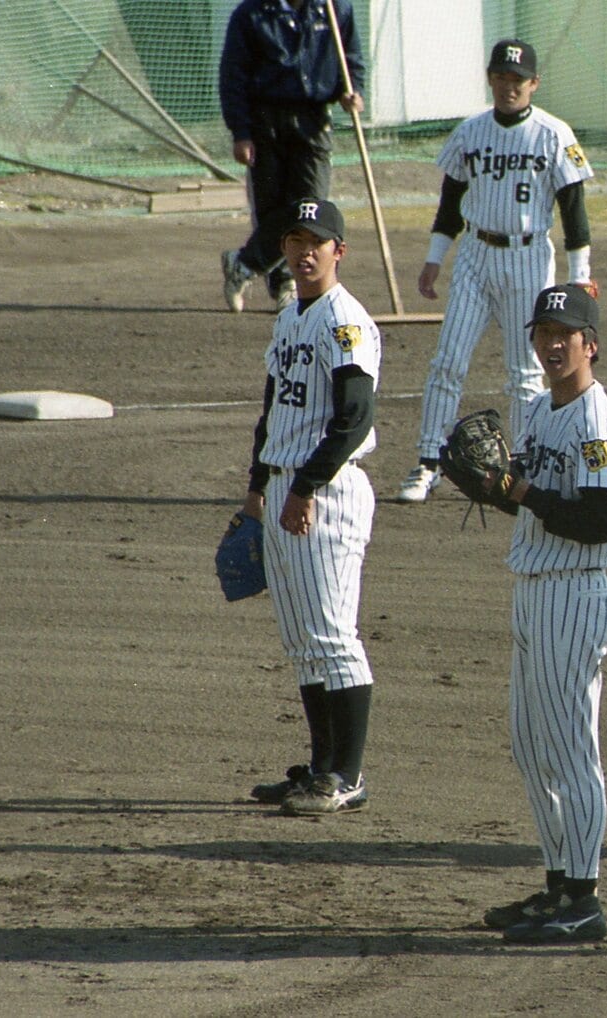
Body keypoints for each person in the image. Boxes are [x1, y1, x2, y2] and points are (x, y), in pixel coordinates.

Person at [474, 284, 607, 944]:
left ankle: (585, 897)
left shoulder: (599, 423)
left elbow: (597, 520)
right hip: (534, 587)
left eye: (564, 333)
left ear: (590, 344)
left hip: (576, 591)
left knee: (571, 748)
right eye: (542, 333)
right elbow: (527, 498)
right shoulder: (539, 410)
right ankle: (558, 883)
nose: (551, 343)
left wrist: (525, 492)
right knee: (530, 745)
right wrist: (491, 485)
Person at [397, 39, 596, 503]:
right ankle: (429, 461)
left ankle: (524, 465)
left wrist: (580, 274)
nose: (510, 87)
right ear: (491, 79)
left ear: (534, 84)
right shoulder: (470, 132)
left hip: (529, 258)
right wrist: (434, 259)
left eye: (518, 80)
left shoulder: (553, 134)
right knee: (447, 361)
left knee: (526, 370)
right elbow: (450, 205)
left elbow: (575, 212)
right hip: (475, 253)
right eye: (502, 78)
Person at [238, 197, 381, 816]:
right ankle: (320, 767)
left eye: (314, 242)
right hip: (283, 487)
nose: (303, 252)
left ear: (338, 251)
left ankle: (346, 775)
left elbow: (353, 419)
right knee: (302, 640)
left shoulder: (345, 321)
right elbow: (273, 411)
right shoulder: (290, 315)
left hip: (327, 492)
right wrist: (257, 487)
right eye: (294, 241)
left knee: (333, 635)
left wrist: (303, 488)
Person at [219, 0, 365, 314]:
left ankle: (245, 264)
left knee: (307, 207)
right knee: (273, 208)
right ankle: (283, 281)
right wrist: (240, 132)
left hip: (314, 120)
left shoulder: (335, 9)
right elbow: (233, 77)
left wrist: (353, 93)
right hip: (265, 122)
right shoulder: (252, 14)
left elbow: (351, 61)